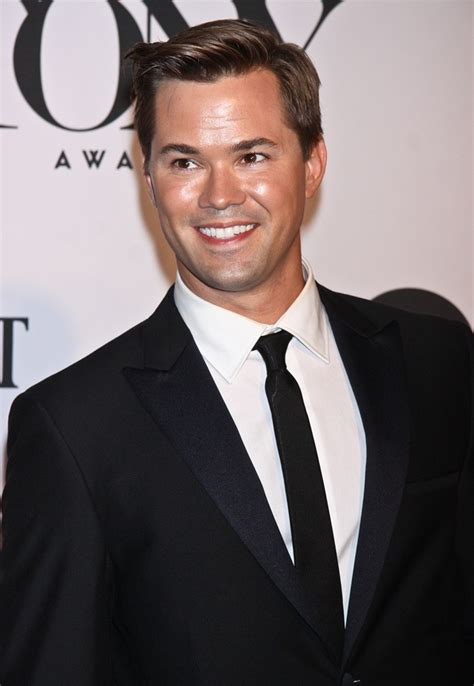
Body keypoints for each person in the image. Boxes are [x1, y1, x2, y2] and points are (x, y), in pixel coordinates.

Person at [0, 18, 472, 686]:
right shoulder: (75, 426)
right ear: (148, 176)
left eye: (252, 155)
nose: (220, 196)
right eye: (185, 161)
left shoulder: (438, 361)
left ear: (312, 164)